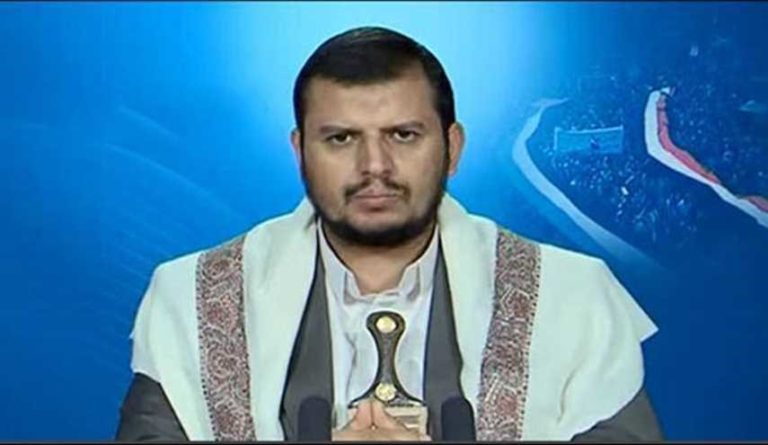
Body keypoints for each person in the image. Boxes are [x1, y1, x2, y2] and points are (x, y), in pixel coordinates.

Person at [116, 26, 663, 442]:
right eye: (341, 138)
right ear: (300, 152)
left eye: (403, 135)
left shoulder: (571, 297)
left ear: (452, 148)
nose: (374, 165)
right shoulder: (192, 297)